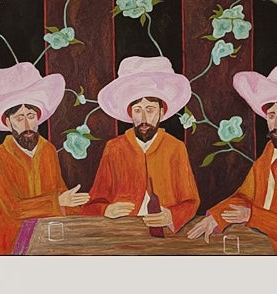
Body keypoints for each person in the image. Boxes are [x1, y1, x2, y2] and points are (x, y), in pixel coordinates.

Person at [185, 62, 277, 255]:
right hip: (261, 242)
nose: (275, 124)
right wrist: (217, 216)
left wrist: (251, 215)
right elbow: (244, 196)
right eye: (271, 115)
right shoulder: (268, 153)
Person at [0, 63, 88, 255]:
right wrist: (58, 201)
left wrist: (90, 210)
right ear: (8, 122)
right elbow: (14, 208)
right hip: (10, 246)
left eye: (31, 115)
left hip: (47, 240)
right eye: (19, 118)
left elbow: (60, 192)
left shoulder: (48, 150)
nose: (28, 125)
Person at [82, 56, 199, 236]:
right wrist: (106, 210)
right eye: (137, 110)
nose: (143, 119)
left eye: (150, 110)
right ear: (130, 113)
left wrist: (171, 215)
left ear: (161, 112)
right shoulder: (114, 148)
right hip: (121, 233)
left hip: (166, 235)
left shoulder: (175, 148)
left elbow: (191, 202)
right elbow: (93, 203)